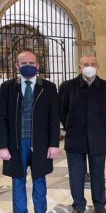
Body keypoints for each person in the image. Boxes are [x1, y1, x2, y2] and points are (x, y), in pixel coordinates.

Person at [0, 51, 60, 212]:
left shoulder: (48, 87)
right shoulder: (7, 87)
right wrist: (3, 146)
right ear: (17, 66)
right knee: (18, 181)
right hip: (16, 143)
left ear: (38, 65)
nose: (28, 66)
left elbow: (54, 118)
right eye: (24, 63)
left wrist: (54, 144)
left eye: (32, 63)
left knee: (39, 180)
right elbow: (2, 118)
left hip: (40, 143)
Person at [58, 55, 106, 213]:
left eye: (92, 64)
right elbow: (62, 111)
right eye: (85, 64)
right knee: (76, 174)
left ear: (98, 66)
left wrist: (98, 125)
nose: (89, 67)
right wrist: (71, 126)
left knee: (98, 173)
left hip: (97, 136)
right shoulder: (67, 87)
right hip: (75, 137)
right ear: (79, 67)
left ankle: (99, 204)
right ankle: (78, 204)